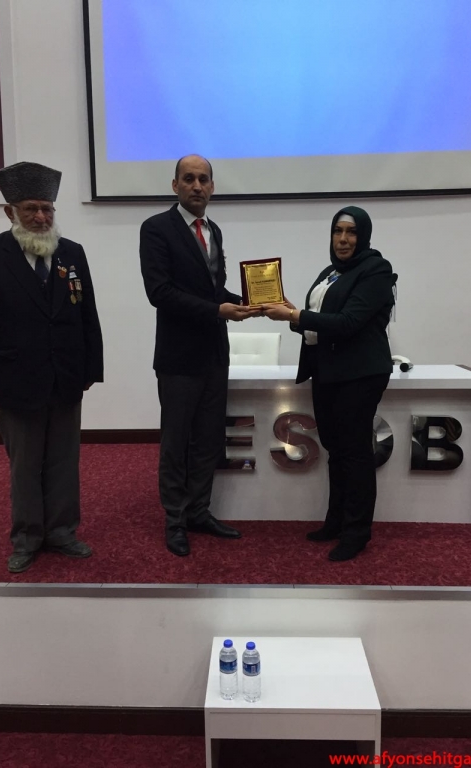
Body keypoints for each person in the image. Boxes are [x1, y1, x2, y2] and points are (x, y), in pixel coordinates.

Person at [0, 161, 104, 573]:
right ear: (10, 211)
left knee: (64, 460)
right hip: (14, 380)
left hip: (66, 377)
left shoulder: (72, 252)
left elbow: (88, 316)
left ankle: (62, 532)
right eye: (31, 209)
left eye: (47, 208)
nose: (41, 217)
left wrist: (91, 369)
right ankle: (26, 537)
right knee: (24, 465)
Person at [262, 206, 396, 561]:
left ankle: (357, 532)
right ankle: (336, 522)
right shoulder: (330, 273)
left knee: (355, 453)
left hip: (359, 374)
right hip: (328, 372)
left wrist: (295, 315)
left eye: (351, 232)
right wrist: (292, 313)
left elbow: (348, 322)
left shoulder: (376, 270)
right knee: (336, 450)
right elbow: (321, 321)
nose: (343, 239)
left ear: (363, 235)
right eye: (338, 231)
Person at [140, 154, 258, 557]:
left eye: (203, 179)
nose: (197, 186)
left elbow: (213, 290)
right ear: (175, 185)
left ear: (212, 187)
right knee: (176, 443)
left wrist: (250, 301)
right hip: (178, 358)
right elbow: (160, 293)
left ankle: (198, 511)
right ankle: (174, 520)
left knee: (209, 441)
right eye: (188, 179)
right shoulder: (156, 228)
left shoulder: (213, 230)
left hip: (214, 355)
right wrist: (217, 310)